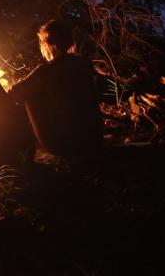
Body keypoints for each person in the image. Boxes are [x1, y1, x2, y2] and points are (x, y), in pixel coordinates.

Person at [8, 19, 104, 172]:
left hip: (64, 144)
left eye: (41, 42)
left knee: (26, 95)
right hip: (95, 138)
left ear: (48, 43)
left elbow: (14, 93)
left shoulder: (47, 70)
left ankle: (21, 153)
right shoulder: (84, 64)